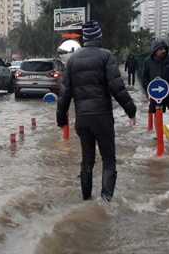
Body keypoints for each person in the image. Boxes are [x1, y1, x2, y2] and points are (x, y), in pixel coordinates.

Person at [56, 20, 137, 202]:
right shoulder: (106, 56)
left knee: (87, 159)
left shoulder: (72, 60)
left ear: (85, 39)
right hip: (102, 118)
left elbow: (64, 94)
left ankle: (86, 201)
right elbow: (117, 87)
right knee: (108, 158)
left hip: (82, 120)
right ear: (99, 37)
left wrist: (61, 120)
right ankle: (106, 202)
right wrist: (131, 110)